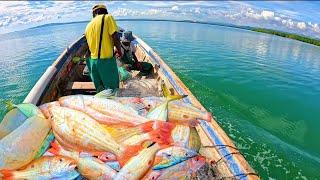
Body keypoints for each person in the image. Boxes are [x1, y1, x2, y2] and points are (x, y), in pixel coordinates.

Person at [84, 4, 122, 92]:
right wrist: (119, 51)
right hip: (106, 62)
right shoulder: (107, 18)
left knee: (100, 90)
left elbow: (88, 46)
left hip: (92, 63)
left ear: (95, 13)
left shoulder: (88, 26)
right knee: (112, 90)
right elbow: (115, 37)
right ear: (104, 11)